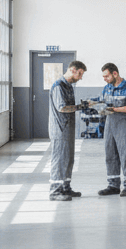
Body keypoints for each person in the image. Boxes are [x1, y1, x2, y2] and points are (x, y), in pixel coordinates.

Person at [97, 63, 126, 196]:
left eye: (106, 76)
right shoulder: (107, 88)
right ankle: (113, 185)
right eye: (103, 77)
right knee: (110, 154)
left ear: (115, 74)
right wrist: (94, 105)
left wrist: (114, 109)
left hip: (124, 124)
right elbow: (101, 103)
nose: (105, 79)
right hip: (109, 124)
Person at [48, 61, 88, 202]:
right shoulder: (58, 86)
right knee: (59, 160)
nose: (81, 78)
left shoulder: (68, 86)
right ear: (72, 70)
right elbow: (62, 107)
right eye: (80, 74)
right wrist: (79, 107)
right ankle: (55, 191)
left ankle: (65, 187)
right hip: (59, 130)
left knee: (68, 159)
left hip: (68, 129)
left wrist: (82, 105)